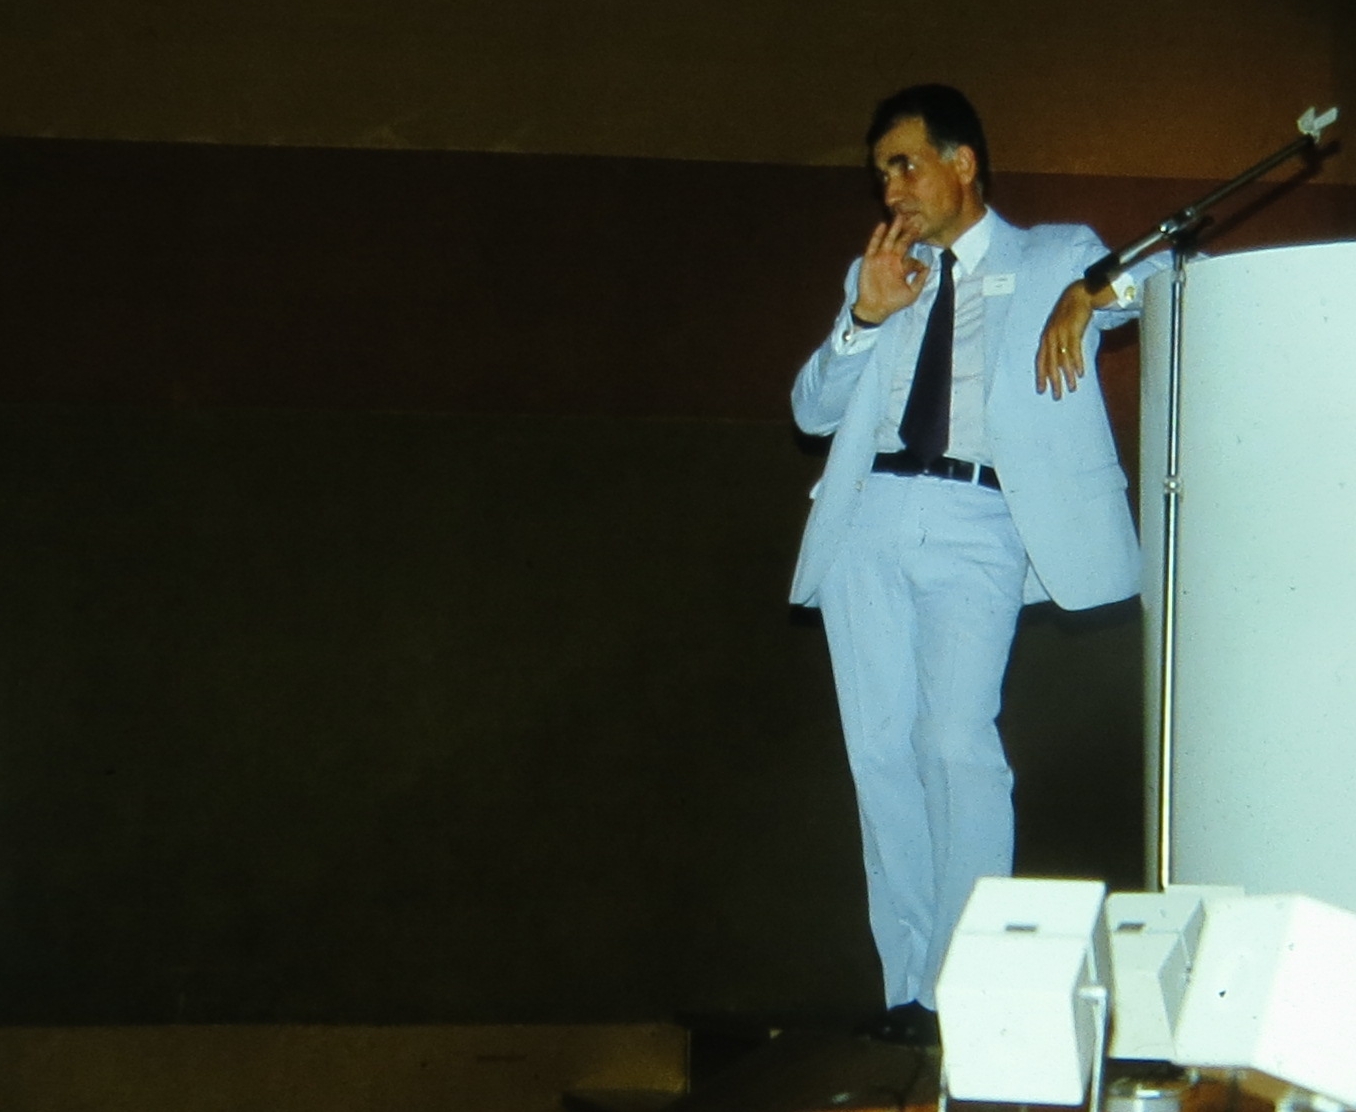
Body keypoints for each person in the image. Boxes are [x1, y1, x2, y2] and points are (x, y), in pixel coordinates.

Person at [789, 84, 1155, 1046]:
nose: (891, 192)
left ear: (963, 163)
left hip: (980, 519)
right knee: (880, 755)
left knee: (955, 742)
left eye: (905, 166)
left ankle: (964, 979)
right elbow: (811, 411)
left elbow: (1159, 272)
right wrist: (863, 317)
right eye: (881, 175)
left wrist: (1090, 294)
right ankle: (908, 989)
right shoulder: (879, 273)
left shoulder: (1055, 255)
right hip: (867, 518)